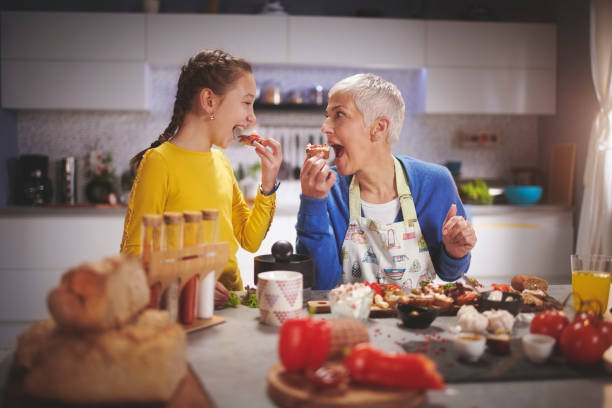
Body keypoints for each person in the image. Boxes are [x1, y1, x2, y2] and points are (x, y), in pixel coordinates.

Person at [120, 49, 282, 306]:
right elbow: (133, 255)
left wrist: (269, 182)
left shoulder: (221, 162)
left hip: (232, 302)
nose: (252, 117)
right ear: (209, 101)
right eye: (246, 102)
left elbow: (250, 240)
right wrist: (187, 287)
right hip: (185, 309)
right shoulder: (158, 162)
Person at [296, 73, 476, 290]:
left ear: (379, 128)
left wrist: (455, 252)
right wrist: (313, 203)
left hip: (415, 321)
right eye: (327, 116)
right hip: (348, 320)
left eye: (339, 115)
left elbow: (450, 274)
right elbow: (321, 283)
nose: (325, 127)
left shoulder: (435, 183)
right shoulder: (327, 190)